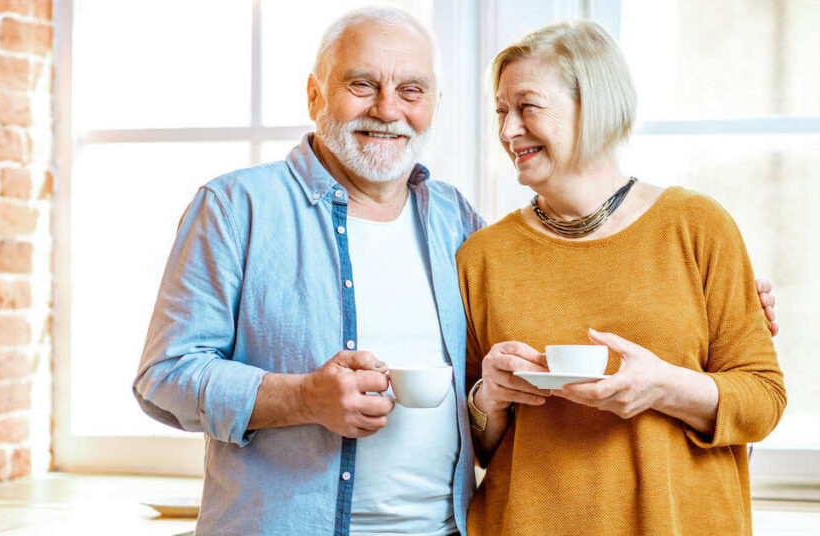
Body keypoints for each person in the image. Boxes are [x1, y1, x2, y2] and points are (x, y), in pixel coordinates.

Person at [134, 7, 778, 536]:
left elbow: (751, 386)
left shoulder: (456, 224)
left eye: (411, 90)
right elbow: (164, 377)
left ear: (432, 103)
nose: (388, 108)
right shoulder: (237, 207)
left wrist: (702, 333)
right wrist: (305, 396)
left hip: (448, 529)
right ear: (314, 93)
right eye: (362, 84)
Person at [457, 21, 786, 536]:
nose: (507, 130)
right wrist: (487, 399)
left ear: (594, 105)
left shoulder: (696, 225)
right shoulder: (483, 256)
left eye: (527, 106)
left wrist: (663, 386)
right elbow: (470, 447)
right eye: (500, 111)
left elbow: (763, 400)